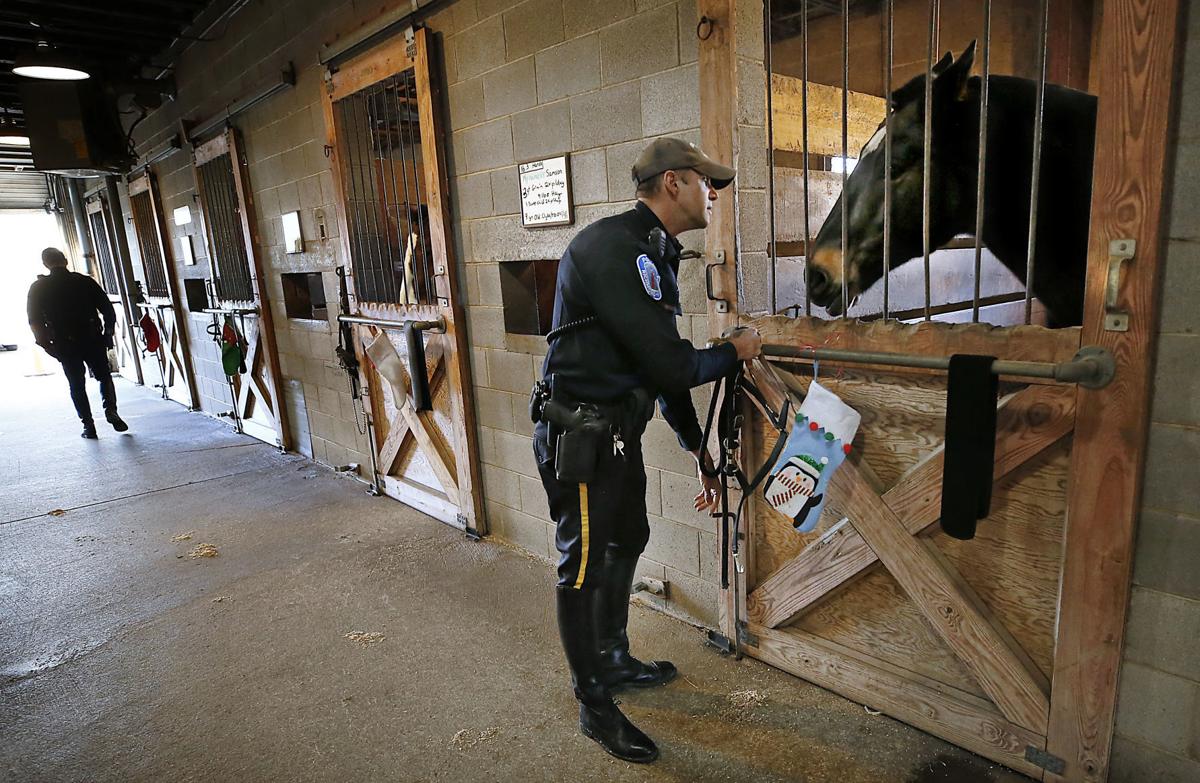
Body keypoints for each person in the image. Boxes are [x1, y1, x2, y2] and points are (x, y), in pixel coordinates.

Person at [531, 137, 762, 763]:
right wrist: (733, 352)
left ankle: (612, 657)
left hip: (615, 434)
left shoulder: (655, 252)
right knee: (580, 566)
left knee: (627, 537)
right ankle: (594, 704)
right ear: (672, 184)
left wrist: (697, 452)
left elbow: (656, 367)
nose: (711, 193)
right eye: (703, 181)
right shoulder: (613, 247)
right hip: (579, 435)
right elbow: (673, 362)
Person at [26, 247, 128, 439]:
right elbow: (107, 309)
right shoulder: (84, 281)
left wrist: (47, 345)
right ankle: (111, 410)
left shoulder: (38, 288)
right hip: (92, 338)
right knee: (104, 376)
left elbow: (34, 320)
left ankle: (88, 426)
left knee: (76, 384)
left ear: (45, 264)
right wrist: (107, 333)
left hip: (64, 342)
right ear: (65, 260)